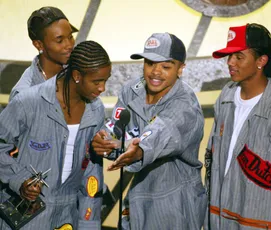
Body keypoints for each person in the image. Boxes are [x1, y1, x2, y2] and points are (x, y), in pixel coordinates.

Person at [92, 32, 207, 229]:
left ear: (181, 69)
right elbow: (115, 126)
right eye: (150, 63)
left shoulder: (185, 103)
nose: (155, 72)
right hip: (139, 195)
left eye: (165, 66)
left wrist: (138, 149)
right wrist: (104, 139)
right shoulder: (131, 90)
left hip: (176, 202)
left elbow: (161, 132)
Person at [204, 23, 271, 229]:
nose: (230, 63)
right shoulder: (226, 96)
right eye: (229, 56)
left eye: (239, 56)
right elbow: (212, 162)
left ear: (261, 60)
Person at [0, 40, 111, 229]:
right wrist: (19, 179)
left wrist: (89, 225)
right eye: (97, 81)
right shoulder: (29, 101)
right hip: (28, 214)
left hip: (69, 215)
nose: (102, 88)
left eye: (105, 81)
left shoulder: (96, 109)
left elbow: (92, 172)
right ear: (76, 75)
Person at [9, 6, 78, 101]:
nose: (69, 45)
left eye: (70, 37)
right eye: (60, 40)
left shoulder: (78, 73)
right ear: (39, 45)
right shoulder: (24, 96)